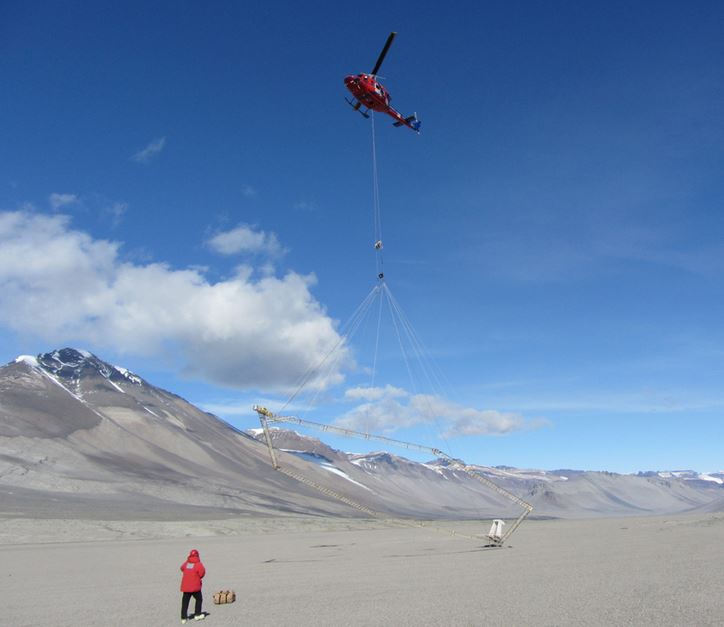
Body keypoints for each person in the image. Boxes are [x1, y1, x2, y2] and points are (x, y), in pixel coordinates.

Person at [180, 549, 206, 623]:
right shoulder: (198, 563)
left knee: (185, 602)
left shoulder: (187, 563)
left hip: (186, 587)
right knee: (199, 599)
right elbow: (202, 573)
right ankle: (197, 614)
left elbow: (181, 568)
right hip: (195, 587)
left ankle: (183, 618)